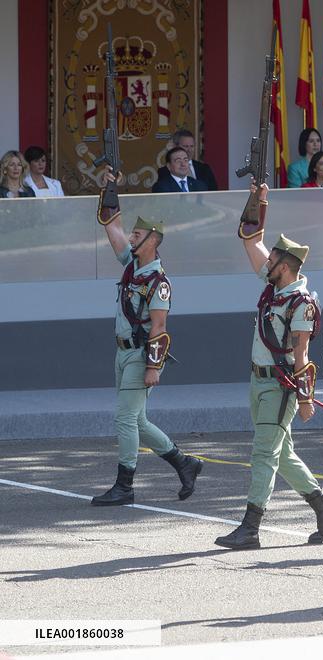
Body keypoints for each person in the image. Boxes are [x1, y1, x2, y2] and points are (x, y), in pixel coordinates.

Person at [215, 182, 323, 550]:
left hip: (280, 386)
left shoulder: (301, 303)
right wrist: (259, 201)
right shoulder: (275, 288)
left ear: (285, 267)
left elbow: (302, 355)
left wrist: (306, 399)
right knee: (281, 452)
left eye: (272, 261)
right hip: (259, 382)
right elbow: (250, 241)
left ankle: (250, 527)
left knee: (263, 452)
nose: (266, 264)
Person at [90, 170, 202, 507]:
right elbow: (111, 226)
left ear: (152, 239)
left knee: (125, 418)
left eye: (136, 233)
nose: (130, 236)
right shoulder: (131, 265)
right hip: (122, 353)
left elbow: (158, 326)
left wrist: (154, 367)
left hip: (141, 355)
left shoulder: (157, 281)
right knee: (137, 419)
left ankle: (125, 484)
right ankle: (185, 463)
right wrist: (109, 186)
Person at [153, 129, 218, 191]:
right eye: (186, 146)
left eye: (192, 146)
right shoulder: (164, 171)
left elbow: (213, 193)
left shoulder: (205, 168)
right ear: (175, 146)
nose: (189, 150)